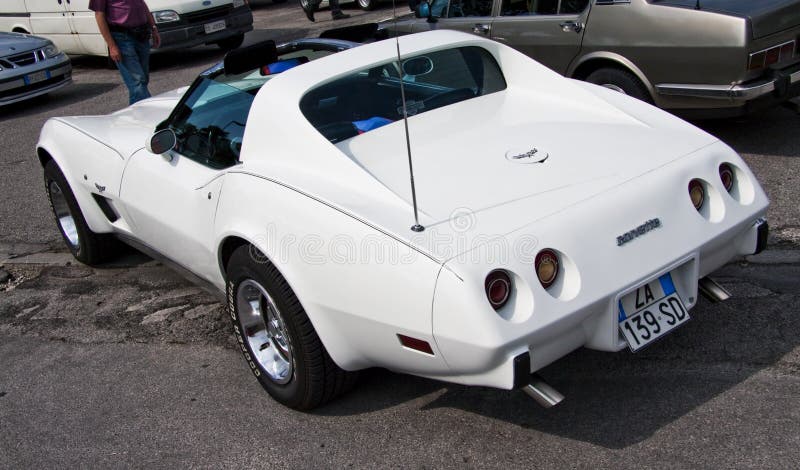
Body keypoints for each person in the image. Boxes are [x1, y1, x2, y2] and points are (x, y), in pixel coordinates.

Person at [89, 0, 161, 105]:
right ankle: (149, 115)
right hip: (122, 38)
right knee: (137, 82)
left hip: (142, 35)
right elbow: (99, 14)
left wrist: (154, 28)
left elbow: (142, 4)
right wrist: (112, 46)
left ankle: (136, 116)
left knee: (142, 81)